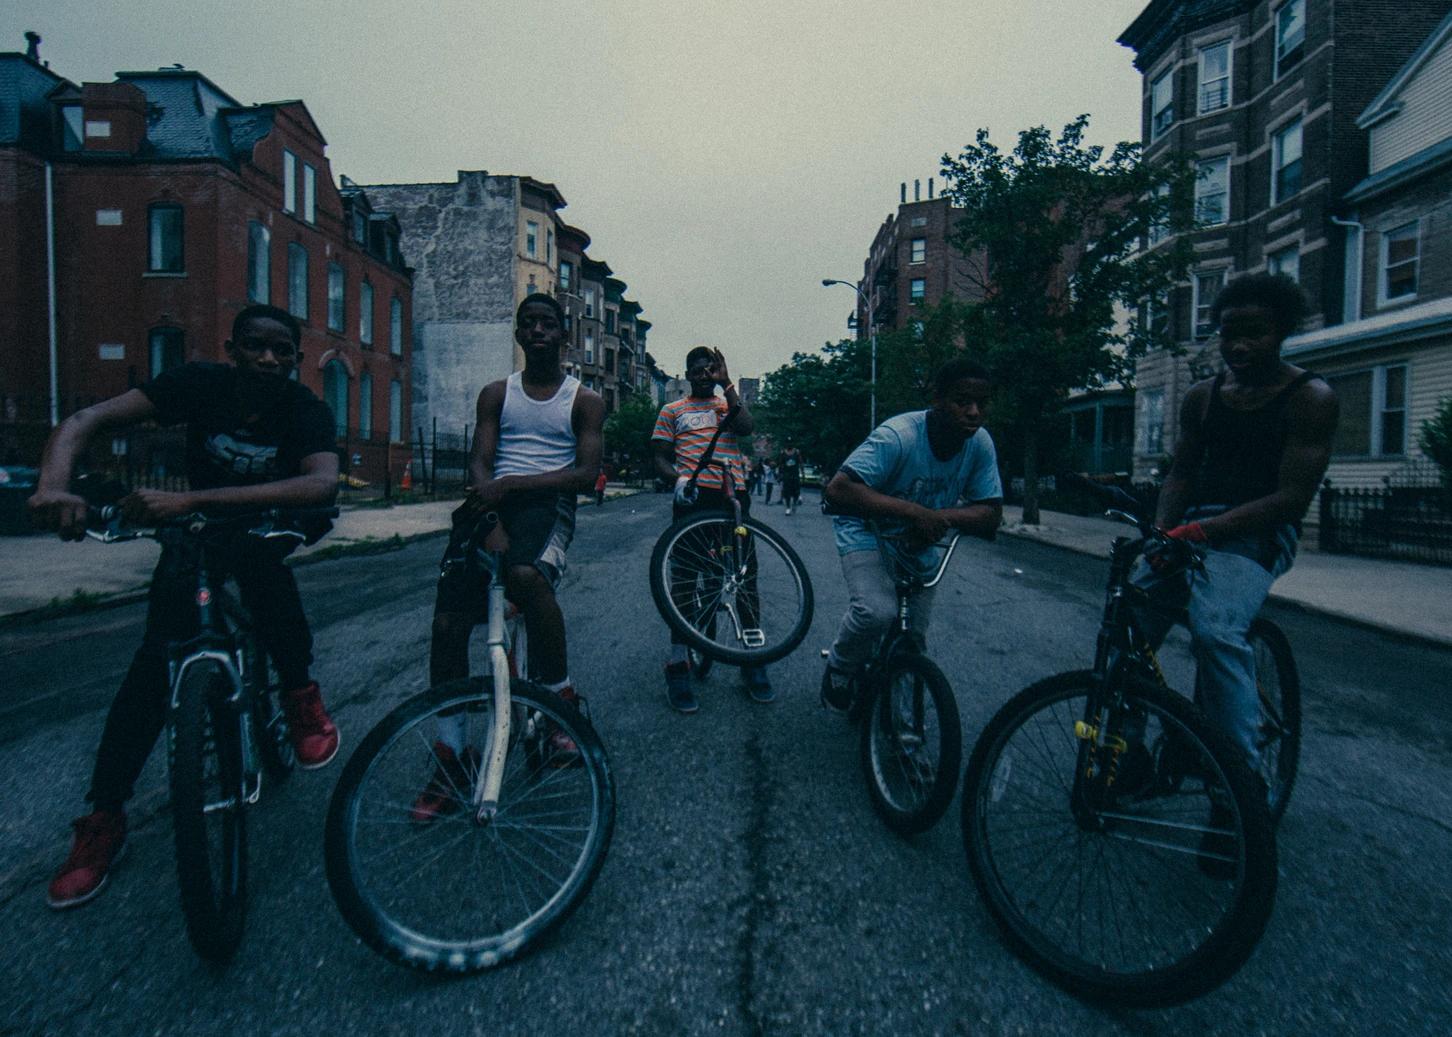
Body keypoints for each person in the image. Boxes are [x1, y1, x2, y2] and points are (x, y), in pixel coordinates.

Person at [28, 304, 342, 909]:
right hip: (197, 526)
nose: (270, 358)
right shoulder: (199, 384)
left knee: (265, 574)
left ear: (297, 360)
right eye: (257, 346)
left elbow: (321, 483)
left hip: (268, 519)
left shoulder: (305, 409)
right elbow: (84, 420)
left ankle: (300, 695)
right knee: (152, 669)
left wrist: (192, 498)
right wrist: (52, 487)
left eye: (283, 350)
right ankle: (104, 821)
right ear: (233, 349)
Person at [1134, 273, 1336, 846]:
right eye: (1228, 334)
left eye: (1254, 334)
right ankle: (1123, 758)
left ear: (1282, 332)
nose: (1238, 346)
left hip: (1259, 534)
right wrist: (1162, 532)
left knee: (1215, 630)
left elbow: (1290, 501)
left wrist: (1201, 530)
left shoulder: (1311, 399)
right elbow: (1181, 472)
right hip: (1192, 528)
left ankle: (1236, 790)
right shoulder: (1202, 397)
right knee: (1130, 615)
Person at [413, 294, 606, 818]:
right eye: (529, 324)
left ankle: (559, 695)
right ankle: (453, 752)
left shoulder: (583, 400)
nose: (538, 331)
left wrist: (514, 484)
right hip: (491, 505)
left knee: (524, 575)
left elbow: (586, 475)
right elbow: (479, 462)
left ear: (564, 335)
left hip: (547, 504)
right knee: (448, 624)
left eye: (548, 324)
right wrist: (492, 517)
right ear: (519, 335)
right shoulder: (497, 394)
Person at [820, 357, 1003, 712]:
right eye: (962, 401)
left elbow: (991, 512)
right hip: (866, 528)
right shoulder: (899, 436)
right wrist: (915, 512)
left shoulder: (979, 443)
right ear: (937, 398)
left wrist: (937, 518)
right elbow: (838, 490)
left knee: (913, 638)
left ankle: (903, 727)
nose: (974, 412)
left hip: (920, 537)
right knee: (876, 612)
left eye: (982, 403)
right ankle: (839, 667)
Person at [652, 346, 773, 711]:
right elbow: (658, 455)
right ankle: (678, 663)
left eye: (711, 369)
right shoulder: (672, 410)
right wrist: (677, 481)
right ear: (688, 373)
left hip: (731, 498)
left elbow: (747, 428)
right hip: (692, 499)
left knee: (744, 578)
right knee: (685, 581)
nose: (705, 374)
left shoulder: (726, 406)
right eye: (698, 369)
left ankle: (752, 659)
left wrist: (728, 384)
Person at [778, 441, 803, 515]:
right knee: (787, 492)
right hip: (787, 475)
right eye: (788, 443)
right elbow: (781, 464)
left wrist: (802, 473)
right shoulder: (783, 453)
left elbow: (801, 463)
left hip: (795, 474)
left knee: (796, 491)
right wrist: (780, 474)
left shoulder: (797, 452)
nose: (789, 444)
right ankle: (788, 507)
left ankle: (794, 504)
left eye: (791, 443)